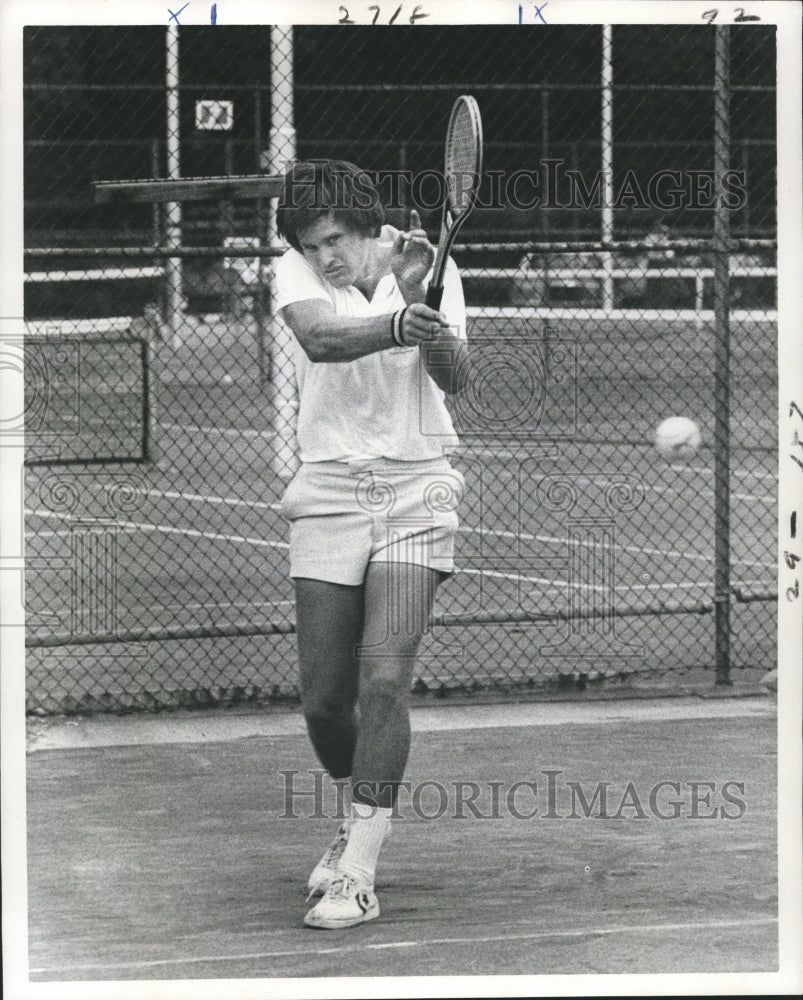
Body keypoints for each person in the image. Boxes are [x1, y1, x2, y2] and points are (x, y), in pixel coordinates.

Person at [274, 159, 469, 929]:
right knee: (324, 702)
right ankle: (356, 814)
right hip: (327, 488)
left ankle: (356, 871)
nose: (322, 255)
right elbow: (321, 340)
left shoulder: (429, 264)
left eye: (334, 239)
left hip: (419, 483)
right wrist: (393, 323)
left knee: (383, 678)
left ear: (365, 225)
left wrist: (423, 301)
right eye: (308, 242)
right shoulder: (293, 272)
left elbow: (456, 379)